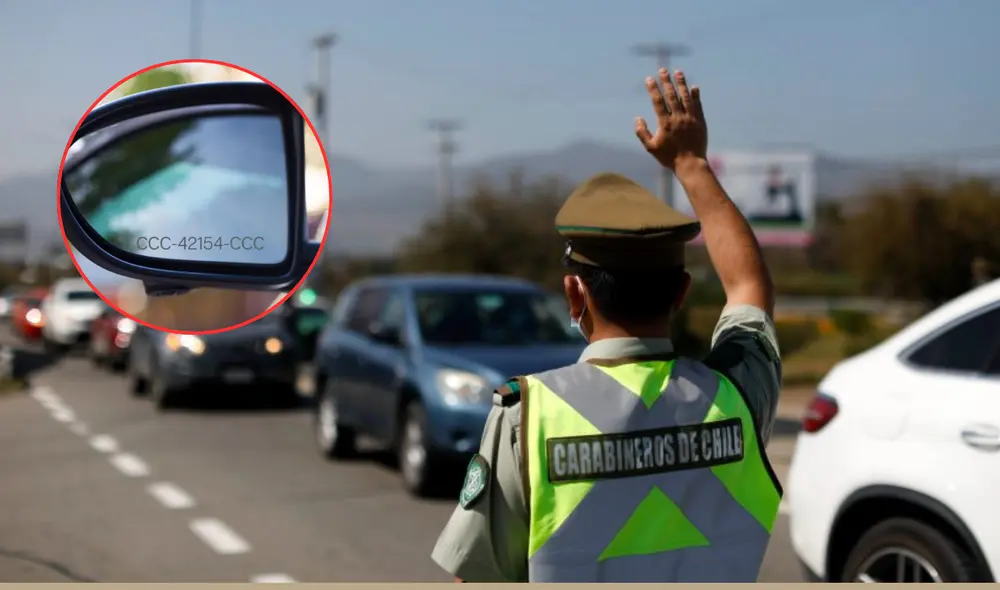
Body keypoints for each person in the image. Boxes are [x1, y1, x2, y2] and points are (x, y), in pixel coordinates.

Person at [430, 69, 783, 583]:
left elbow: (478, 575)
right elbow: (749, 287)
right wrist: (691, 163)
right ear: (681, 293)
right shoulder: (737, 398)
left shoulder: (528, 417)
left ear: (576, 294)